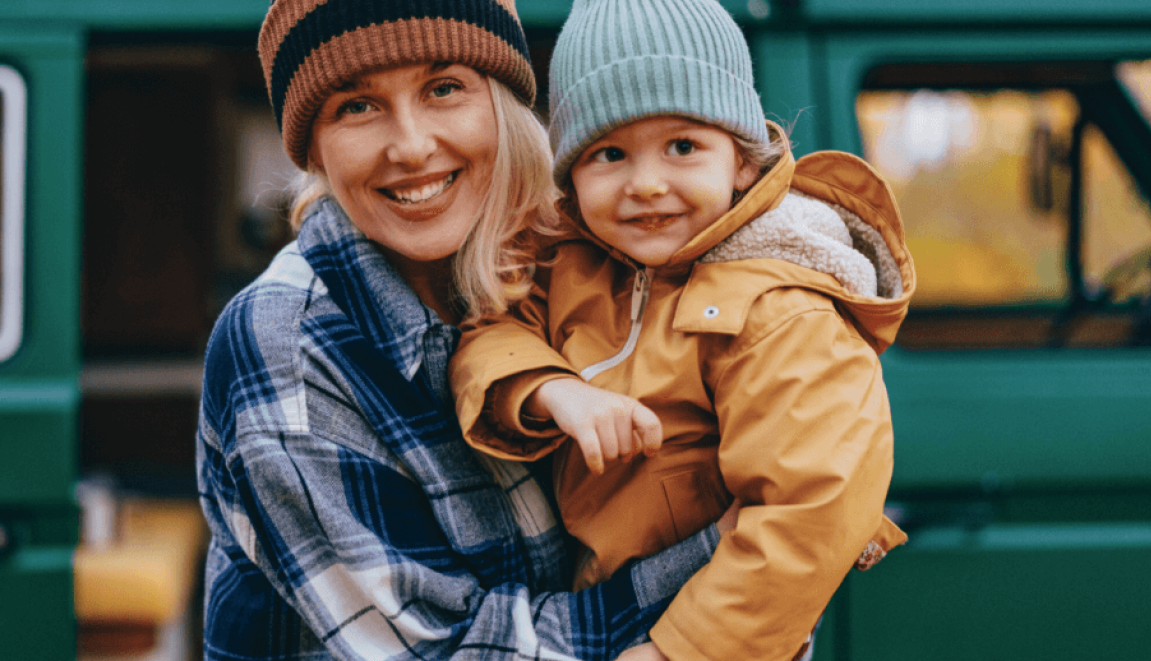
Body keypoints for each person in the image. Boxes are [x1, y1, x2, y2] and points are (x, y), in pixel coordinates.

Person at [195, 1, 730, 660]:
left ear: (501, 106)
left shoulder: (580, 270)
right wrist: (734, 560)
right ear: (315, 150)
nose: (412, 145)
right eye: (357, 107)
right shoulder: (288, 344)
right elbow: (456, 650)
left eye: (443, 88)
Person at [449, 0, 917, 659]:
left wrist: (682, 649)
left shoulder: (781, 308)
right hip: (596, 612)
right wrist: (552, 388)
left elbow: (812, 510)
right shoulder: (572, 265)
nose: (646, 183)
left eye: (682, 146)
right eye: (609, 153)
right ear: (571, 176)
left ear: (743, 162)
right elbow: (489, 333)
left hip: (716, 631)